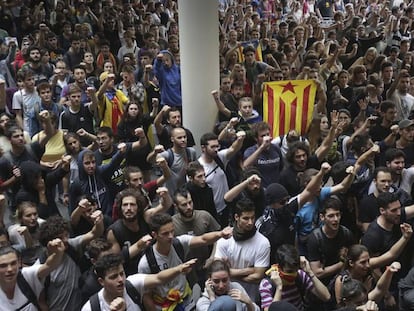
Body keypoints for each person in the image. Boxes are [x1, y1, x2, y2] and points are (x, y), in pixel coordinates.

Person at [138, 213, 233, 310]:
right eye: (165, 234)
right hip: (163, 306)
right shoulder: (146, 262)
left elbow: (202, 239)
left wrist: (220, 234)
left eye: (172, 231)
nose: (170, 236)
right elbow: (146, 296)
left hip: (186, 301)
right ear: (155, 235)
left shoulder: (178, 243)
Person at [81, 253, 196, 311]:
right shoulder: (92, 307)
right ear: (101, 281)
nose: (121, 280)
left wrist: (179, 269)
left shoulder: (132, 285)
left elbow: (158, 278)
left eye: (122, 273)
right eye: (113, 277)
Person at [37, 214, 104, 311]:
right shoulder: (41, 266)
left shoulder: (71, 246)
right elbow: (41, 301)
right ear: (49, 241)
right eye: (60, 237)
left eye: (66, 235)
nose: (65, 240)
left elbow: (94, 233)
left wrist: (98, 222)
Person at [214, 199, 270, 302]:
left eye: (253, 218)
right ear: (236, 217)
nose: (250, 222)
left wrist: (230, 273)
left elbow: (258, 276)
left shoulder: (263, 242)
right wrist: (249, 270)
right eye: (246, 218)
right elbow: (218, 271)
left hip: (251, 297)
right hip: (227, 295)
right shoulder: (225, 240)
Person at [172, 186, 221, 286]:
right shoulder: (172, 224)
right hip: (186, 269)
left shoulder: (204, 216)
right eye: (184, 205)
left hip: (205, 264)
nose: (189, 207)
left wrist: (212, 257)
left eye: (190, 202)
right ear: (176, 206)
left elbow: (218, 236)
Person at [259, 244, 330, 311]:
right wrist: (279, 288)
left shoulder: (300, 275)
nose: (293, 274)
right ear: (279, 268)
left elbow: (326, 297)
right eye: (289, 271)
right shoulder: (267, 284)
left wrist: (310, 273)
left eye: (295, 270)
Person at [0, 241, 65, 311]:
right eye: (3, 266)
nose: (9, 269)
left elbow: (49, 266)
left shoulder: (25, 275)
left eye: (13, 263)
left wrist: (58, 253)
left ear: (19, 263)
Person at [198, 131, 245, 226]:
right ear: (203, 148)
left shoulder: (219, 157)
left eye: (217, 146)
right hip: (211, 210)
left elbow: (233, 149)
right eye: (212, 147)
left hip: (226, 206)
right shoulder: (198, 167)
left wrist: (240, 140)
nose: (216, 149)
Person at [307, 198, 355, 285]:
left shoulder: (346, 234)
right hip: (323, 285)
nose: (336, 219)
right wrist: (341, 264)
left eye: (338, 215)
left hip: (343, 281)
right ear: (322, 217)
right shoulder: (315, 239)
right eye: (331, 216)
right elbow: (317, 272)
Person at [147, 127, 197, 196]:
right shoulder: (168, 155)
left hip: (185, 193)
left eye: (184, 137)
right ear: (172, 139)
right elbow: (149, 160)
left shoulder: (191, 152)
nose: (183, 140)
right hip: (170, 194)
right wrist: (155, 152)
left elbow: (195, 170)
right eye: (179, 138)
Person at [196, 258, 260, 311]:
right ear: (209, 280)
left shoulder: (236, 288)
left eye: (224, 280)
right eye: (216, 281)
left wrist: (248, 303)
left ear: (229, 278)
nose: (221, 286)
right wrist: (212, 298)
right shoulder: (203, 302)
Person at [243, 121, 284, 187]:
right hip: (260, 189)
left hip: (275, 187)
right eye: (262, 136)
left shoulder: (276, 148)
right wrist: (262, 147)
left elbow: (281, 167)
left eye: (268, 134)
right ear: (256, 138)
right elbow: (245, 166)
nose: (266, 138)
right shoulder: (250, 151)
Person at [7, 201, 44, 266]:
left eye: (35, 214)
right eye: (28, 215)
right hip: (24, 262)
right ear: (20, 218)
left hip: (41, 259)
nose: (33, 218)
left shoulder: (43, 225)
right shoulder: (13, 232)